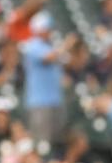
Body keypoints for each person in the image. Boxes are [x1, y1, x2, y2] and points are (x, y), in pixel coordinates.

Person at [20, 12, 74, 146]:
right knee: (42, 142)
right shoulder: (32, 45)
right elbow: (48, 57)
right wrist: (66, 45)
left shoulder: (49, 46)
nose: (50, 31)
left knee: (57, 141)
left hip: (55, 100)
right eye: (47, 28)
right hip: (40, 102)